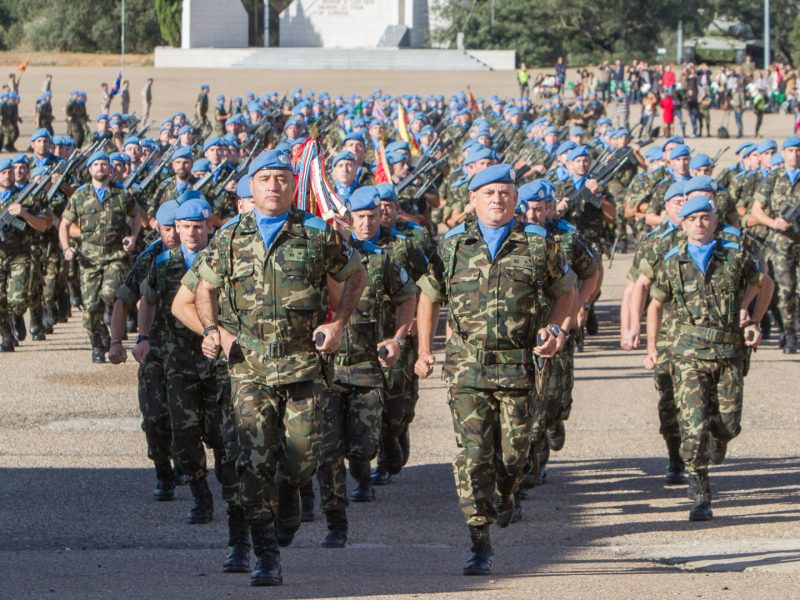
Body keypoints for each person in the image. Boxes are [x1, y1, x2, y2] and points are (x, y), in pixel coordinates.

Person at [193, 149, 367, 587]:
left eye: (281, 179)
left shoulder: (315, 234)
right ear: (251, 187)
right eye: (265, 178)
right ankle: (265, 552)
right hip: (248, 367)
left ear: (293, 186)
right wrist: (212, 329)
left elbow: (355, 274)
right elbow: (203, 289)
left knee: (302, 458)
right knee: (252, 460)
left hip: (303, 367)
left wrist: (338, 322)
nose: (274, 186)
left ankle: (291, 491)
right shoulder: (229, 237)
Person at [414, 164, 576, 576]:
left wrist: (556, 327)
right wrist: (424, 349)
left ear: (516, 198)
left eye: (505, 192)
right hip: (467, 367)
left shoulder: (537, 246)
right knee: (473, 455)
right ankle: (479, 539)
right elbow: (429, 297)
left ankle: (507, 491)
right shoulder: (451, 247)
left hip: (518, 365)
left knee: (515, 454)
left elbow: (566, 291)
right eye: (489, 193)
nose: (497, 199)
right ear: (473, 200)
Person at [645, 194, 773, 521]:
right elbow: (656, 304)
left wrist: (754, 318)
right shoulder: (673, 261)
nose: (699, 225)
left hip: (728, 350)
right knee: (693, 421)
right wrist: (651, 346)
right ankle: (698, 487)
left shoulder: (736, 256)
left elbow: (765, 284)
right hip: (687, 352)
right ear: (683, 224)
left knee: (728, 423)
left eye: (705, 218)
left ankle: (719, 440)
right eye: (692, 220)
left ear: (715, 222)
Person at [316, 185, 417, 547]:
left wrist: (398, 339)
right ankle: (335, 520)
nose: (364, 222)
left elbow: (408, 297)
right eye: (357, 217)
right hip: (323, 369)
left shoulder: (378, 260)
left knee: (361, 447)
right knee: (326, 450)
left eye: (371, 215)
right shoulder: (314, 260)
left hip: (365, 366)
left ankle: (361, 473)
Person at [520, 180, 601, 486]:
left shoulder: (566, 239)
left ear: (550, 208)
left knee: (554, 397)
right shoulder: (514, 237)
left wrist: (580, 306)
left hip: (559, 328)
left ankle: (553, 422)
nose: (532, 214)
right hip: (525, 332)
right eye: (527, 208)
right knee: (530, 400)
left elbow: (591, 272)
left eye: (539, 209)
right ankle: (531, 459)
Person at [109, 200, 182, 500]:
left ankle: (190, 467)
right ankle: (163, 471)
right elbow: (122, 299)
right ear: (158, 228)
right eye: (169, 229)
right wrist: (116, 342)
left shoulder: (208, 253)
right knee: (155, 417)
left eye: (181, 227)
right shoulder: (150, 258)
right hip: (156, 347)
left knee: (195, 419)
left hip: (195, 349)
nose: (177, 234)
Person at [58, 151, 143, 362]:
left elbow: (136, 216)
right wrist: (66, 247)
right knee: (90, 308)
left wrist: (132, 237)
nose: (100, 168)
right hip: (89, 258)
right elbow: (64, 225)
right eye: (96, 164)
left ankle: (112, 324)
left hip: (115, 255)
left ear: (110, 169)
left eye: (104, 164)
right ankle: (97, 342)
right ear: (89, 170)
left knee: (109, 294)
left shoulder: (122, 195)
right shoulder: (79, 196)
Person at [750, 136, 800, 353]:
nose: (795, 155)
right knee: (784, 291)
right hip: (780, 245)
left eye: (798, 151)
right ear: (784, 153)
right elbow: (755, 211)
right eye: (790, 151)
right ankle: (789, 335)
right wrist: (774, 223)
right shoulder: (772, 179)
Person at [0, 158, 52, 351]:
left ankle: (16, 314)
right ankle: (6, 336)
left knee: (17, 299)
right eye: (3, 172)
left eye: (10, 172)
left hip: (20, 255)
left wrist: (24, 214)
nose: (7, 175)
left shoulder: (29, 198)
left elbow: (44, 226)